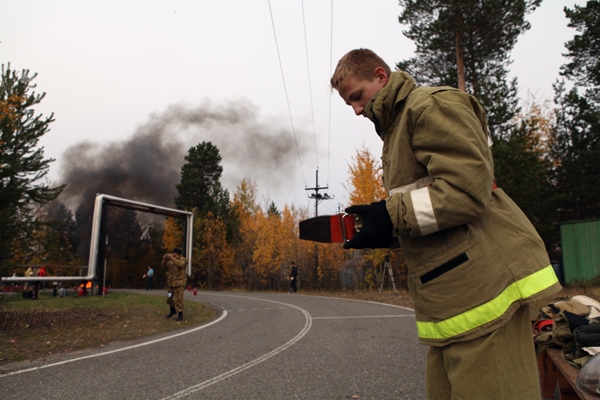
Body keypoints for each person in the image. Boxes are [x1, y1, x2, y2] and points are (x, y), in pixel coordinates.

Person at [330, 48, 562, 400]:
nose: (357, 110)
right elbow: (431, 208)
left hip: (484, 290)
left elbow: (466, 192)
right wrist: (385, 229)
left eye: (357, 96)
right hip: (451, 300)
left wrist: (391, 216)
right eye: (349, 104)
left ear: (380, 75)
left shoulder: (429, 106)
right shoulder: (396, 131)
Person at [162, 248, 187, 321]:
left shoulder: (183, 260)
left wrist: (172, 258)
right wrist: (164, 260)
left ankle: (180, 314)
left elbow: (180, 265)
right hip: (171, 284)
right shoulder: (171, 261)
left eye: (173, 253)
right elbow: (164, 266)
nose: (172, 254)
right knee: (169, 298)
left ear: (176, 253)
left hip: (179, 284)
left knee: (179, 300)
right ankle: (172, 310)